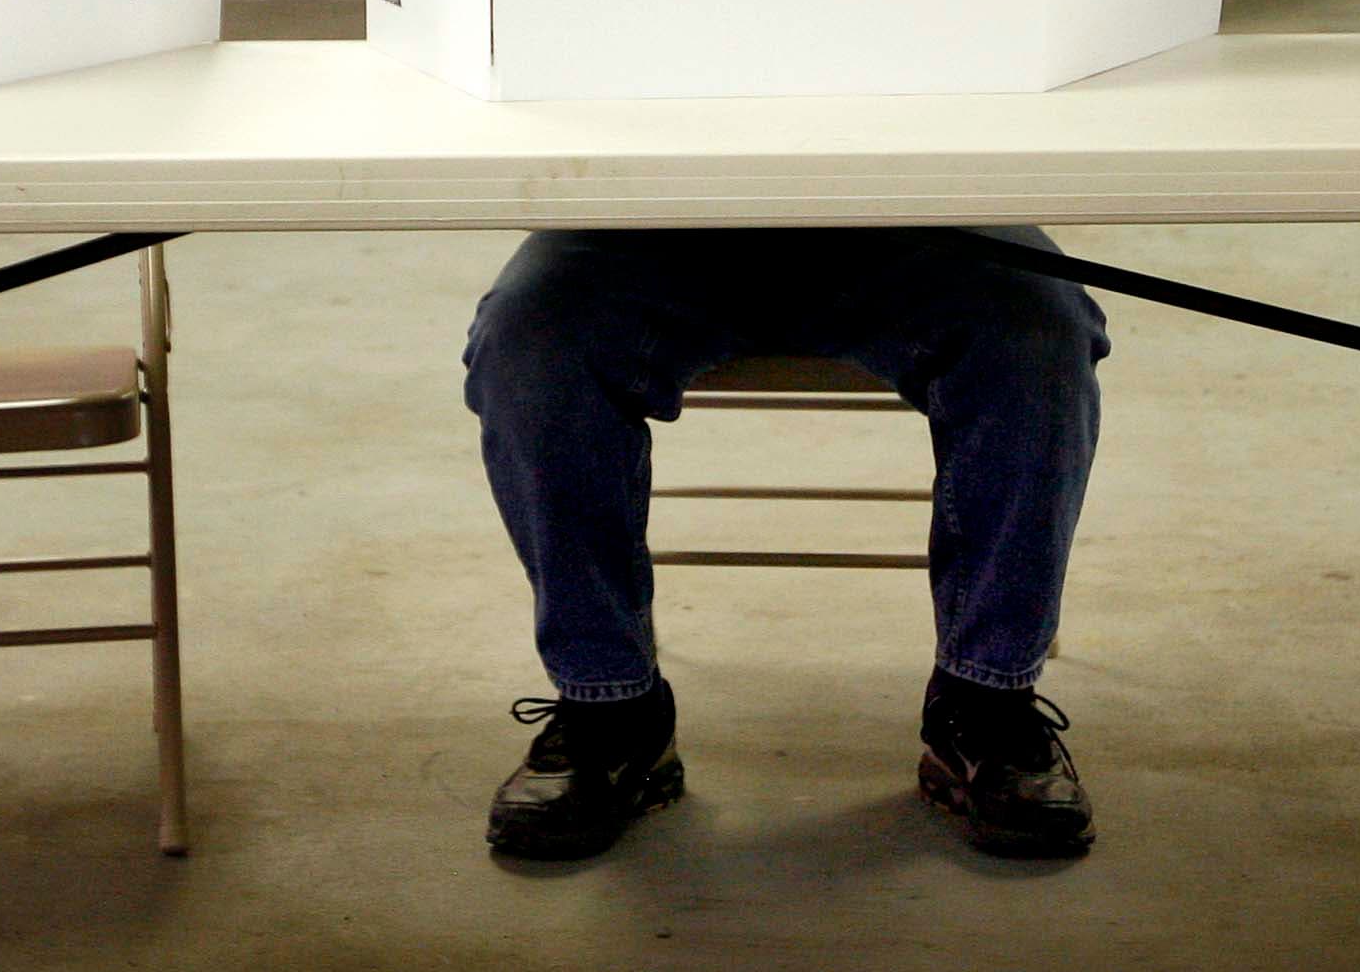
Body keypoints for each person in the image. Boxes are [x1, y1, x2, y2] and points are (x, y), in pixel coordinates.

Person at [462, 226, 1109, 859]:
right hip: (651, 232)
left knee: (1037, 335)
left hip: (916, 226)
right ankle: (611, 712)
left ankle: (984, 709)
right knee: (531, 343)